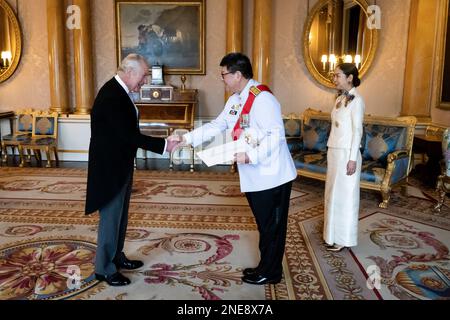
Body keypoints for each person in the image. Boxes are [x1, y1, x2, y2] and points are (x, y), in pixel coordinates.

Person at [176, 52, 297, 285]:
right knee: (264, 224)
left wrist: (251, 156)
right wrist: (187, 138)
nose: (222, 79)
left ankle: (271, 273)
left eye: (224, 74)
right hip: (254, 175)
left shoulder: (263, 99)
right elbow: (217, 125)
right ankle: (265, 266)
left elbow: (276, 136)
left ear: (237, 74)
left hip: (272, 175)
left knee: (272, 227)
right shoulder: (235, 99)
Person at [85, 54, 180, 286]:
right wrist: (164, 145)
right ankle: (104, 269)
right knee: (110, 218)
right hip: (109, 169)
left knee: (120, 217)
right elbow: (129, 136)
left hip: (119, 164)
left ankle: (116, 257)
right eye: (144, 74)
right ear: (129, 72)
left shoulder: (120, 92)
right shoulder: (111, 95)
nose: (145, 80)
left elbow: (126, 134)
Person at [323, 63, 365, 252]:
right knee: (332, 194)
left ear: (349, 77)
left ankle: (343, 237)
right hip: (334, 151)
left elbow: (357, 131)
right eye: (334, 75)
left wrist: (352, 159)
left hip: (347, 154)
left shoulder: (357, 100)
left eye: (338, 75)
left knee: (345, 197)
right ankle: (331, 235)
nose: (334, 79)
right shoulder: (339, 99)